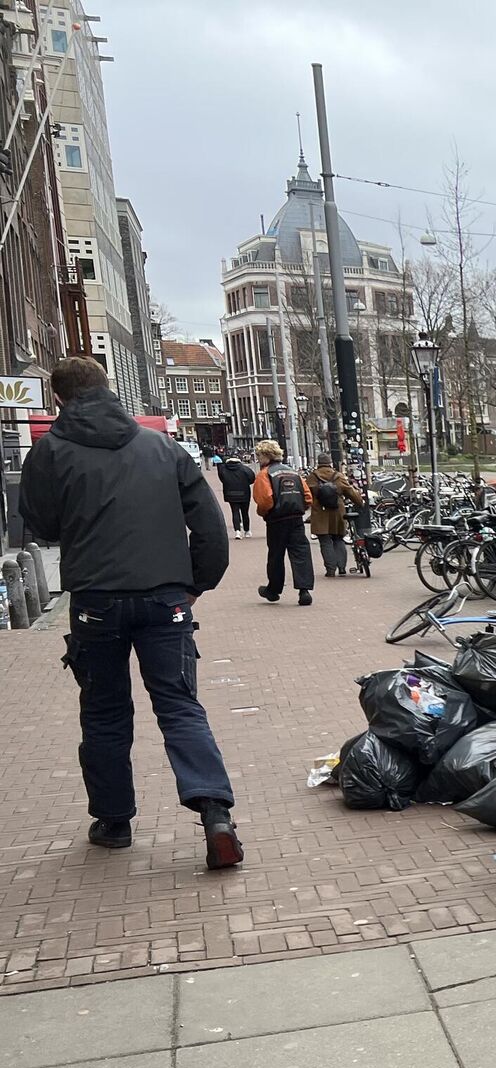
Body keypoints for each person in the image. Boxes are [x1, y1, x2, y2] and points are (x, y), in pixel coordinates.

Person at [19, 356, 243, 868]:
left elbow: (44, 526)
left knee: (103, 712)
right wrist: (196, 586)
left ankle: (114, 821)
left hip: (96, 601)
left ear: (59, 399)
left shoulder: (48, 452)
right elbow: (210, 527)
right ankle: (215, 814)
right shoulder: (163, 447)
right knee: (180, 704)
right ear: (109, 389)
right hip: (166, 598)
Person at [250, 439, 314, 605]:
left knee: (276, 555)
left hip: (276, 520)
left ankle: (273, 590)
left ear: (265, 456)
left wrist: (263, 513)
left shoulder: (264, 475)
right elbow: (307, 496)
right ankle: (304, 590)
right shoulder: (293, 472)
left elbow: (265, 500)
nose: (258, 459)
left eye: (259, 455)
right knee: (301, 553)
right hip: (296, 518)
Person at [308, 461, 365, 578]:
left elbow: (305, 494)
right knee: (338, 539)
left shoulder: (312, 477)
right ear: (330, 464)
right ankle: (342, 568)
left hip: (320, 512)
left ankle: (330, 570)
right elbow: (350, 492)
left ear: (318, 464)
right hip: (337, 512)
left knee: (325, 542)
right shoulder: (338, 476)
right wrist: (360, 502)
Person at [217, 452, 256, 538]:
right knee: (245, 512)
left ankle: (237, 531)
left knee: (235, 512)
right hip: (244, 493)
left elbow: (222, 478)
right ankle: (247, 531)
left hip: (230, 494)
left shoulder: (224, 469)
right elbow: (252, 478)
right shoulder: (245, 469)